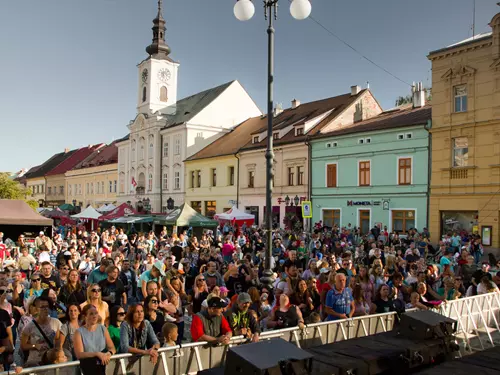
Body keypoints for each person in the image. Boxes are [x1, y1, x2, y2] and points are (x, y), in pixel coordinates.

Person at [73, 305, 116, 375]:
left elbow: (112, 348)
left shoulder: (103, 328)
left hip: (103, 367)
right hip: (88, 368)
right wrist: (97, 354)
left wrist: (109, 353)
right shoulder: (78, 332)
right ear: (85, 316)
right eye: (91, 314)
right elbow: (79, 354)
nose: (94, 316)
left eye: (96, 313)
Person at [21, 297, 63, 367]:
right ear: (36, 309)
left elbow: (58, 341)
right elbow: (23, 346)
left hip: (51, 361)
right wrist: (35, 346)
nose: (45, 309)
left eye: (47, 306)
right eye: (42, 307)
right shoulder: (29, 326)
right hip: (35, 362)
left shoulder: (56, 322)